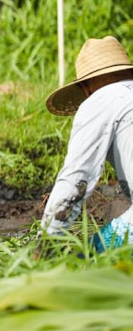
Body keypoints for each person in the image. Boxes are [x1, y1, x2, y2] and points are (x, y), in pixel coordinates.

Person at [41, 36, 133, 251]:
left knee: (83, 272)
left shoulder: (100, 100)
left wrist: (45, 243)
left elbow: (75, 181)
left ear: (85, 88)